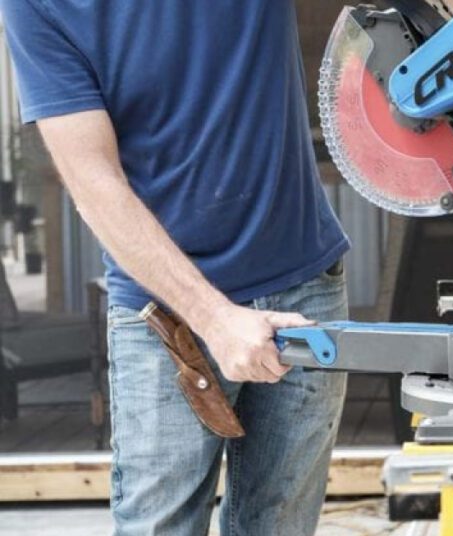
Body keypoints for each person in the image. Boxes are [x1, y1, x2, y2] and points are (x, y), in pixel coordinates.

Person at [0, 1, 351, 534]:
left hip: (303, 282)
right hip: (166, 319)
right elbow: (94, 181)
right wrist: (215, 318)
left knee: (281, 526)